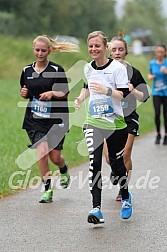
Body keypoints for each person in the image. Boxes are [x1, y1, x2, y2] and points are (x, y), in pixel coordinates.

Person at [75, 31, 133, 224]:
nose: (93, 49)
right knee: (95, 163)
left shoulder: (117, 68)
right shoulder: (88, 68)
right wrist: (80, 98)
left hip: (116, 123)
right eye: (90, 46)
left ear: (105, 47)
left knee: (117, 165)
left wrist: (107, 90)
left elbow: (123, 94)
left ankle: (125, 198)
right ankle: (96, 208)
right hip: (93, 121)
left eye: (97, 46)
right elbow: (86, 86)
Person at [20, 35, 79, 203]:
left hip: (56, 119)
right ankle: (47, 189)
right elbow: (25, 92)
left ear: (49, 51)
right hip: (35, 119)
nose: (40, 53)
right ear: (33, 50)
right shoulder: (26, 71)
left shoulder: (56, 70)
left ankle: (63, 167)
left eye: (43, 50)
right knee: (42, 153)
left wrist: (53, 93)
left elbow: (65, 93)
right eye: (37, 50)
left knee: (55, 158)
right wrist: (23, 94)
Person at [103, 32, 149, 201]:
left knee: (125, 156)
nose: (117, 52)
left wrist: (133, 90)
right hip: (108, 118)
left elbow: (144, 96)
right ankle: (116, 170)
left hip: (128, 118)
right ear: (109, 52)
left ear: (126, 52)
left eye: (120, 49)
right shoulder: (102, 71)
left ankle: (123, 191)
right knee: (109, 159)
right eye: (113, 49)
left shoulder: (133, 72)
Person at [148, 44, 167, 145]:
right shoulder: (152, 63)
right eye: (158, 52)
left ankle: (166, 135)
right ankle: (158, 134)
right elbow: (150, 73)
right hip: (156, 92)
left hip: (166, 92)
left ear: (165, 53)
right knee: (157, 114)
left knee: (166, 115)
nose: (159, 54)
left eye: (162, 52)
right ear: (156, 53)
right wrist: (150, 76)